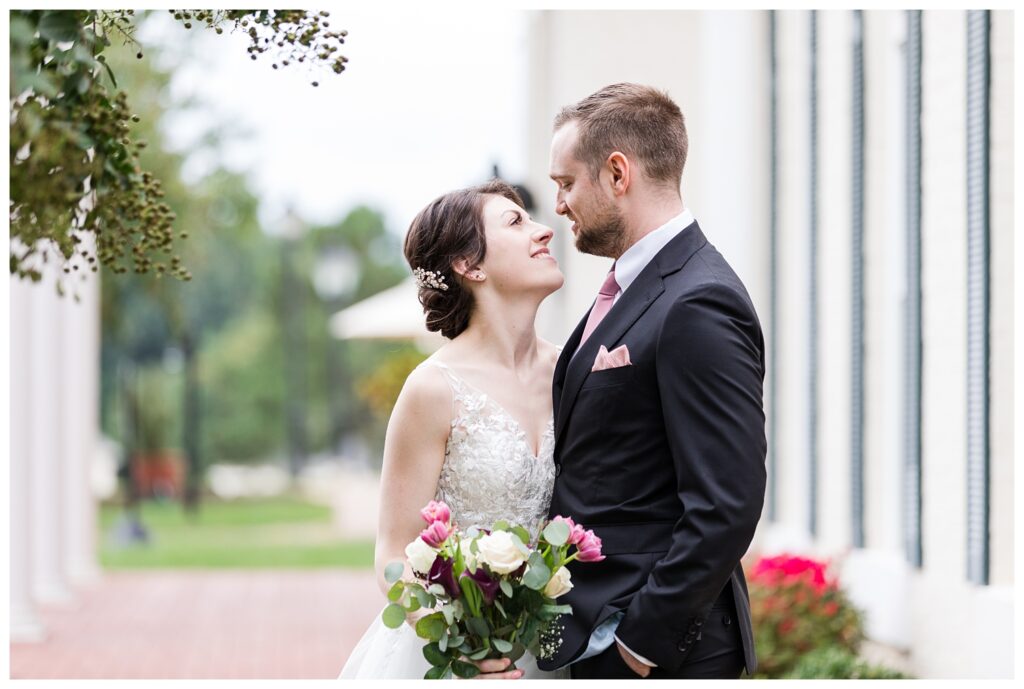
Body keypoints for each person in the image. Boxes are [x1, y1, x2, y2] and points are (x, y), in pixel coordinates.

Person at [537, 83, 767, 679]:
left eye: (565, 184)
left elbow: (727, 501)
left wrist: (641, 641)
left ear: (618, 173)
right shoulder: (628, 287)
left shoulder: (699, 300)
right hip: (593, 631)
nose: (558, 206)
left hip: (662, 652)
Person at [338, 180, 570, 680]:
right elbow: (393, 553)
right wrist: (460, 641)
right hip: (459, 654)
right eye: (516, 222)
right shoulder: (432, 389)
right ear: (470, 265)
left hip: (555, 649)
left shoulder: (572, 373)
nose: (544, 231)